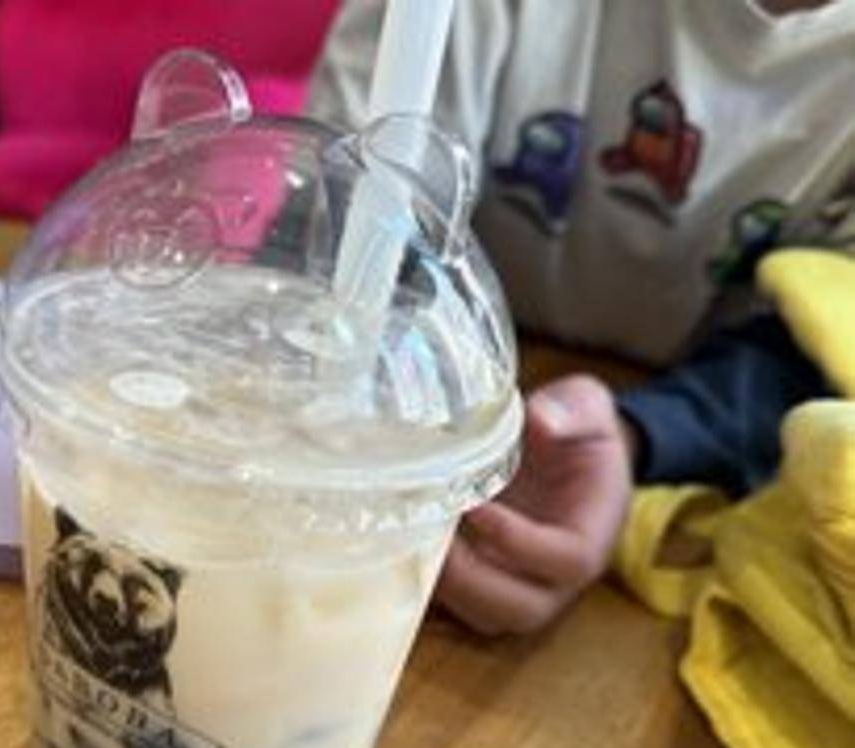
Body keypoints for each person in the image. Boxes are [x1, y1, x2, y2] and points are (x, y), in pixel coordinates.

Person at [307, 0, 855, 634]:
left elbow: (821, 351)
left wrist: (643, 432)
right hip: (417, 417)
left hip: (664, 482)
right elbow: (334, 237)